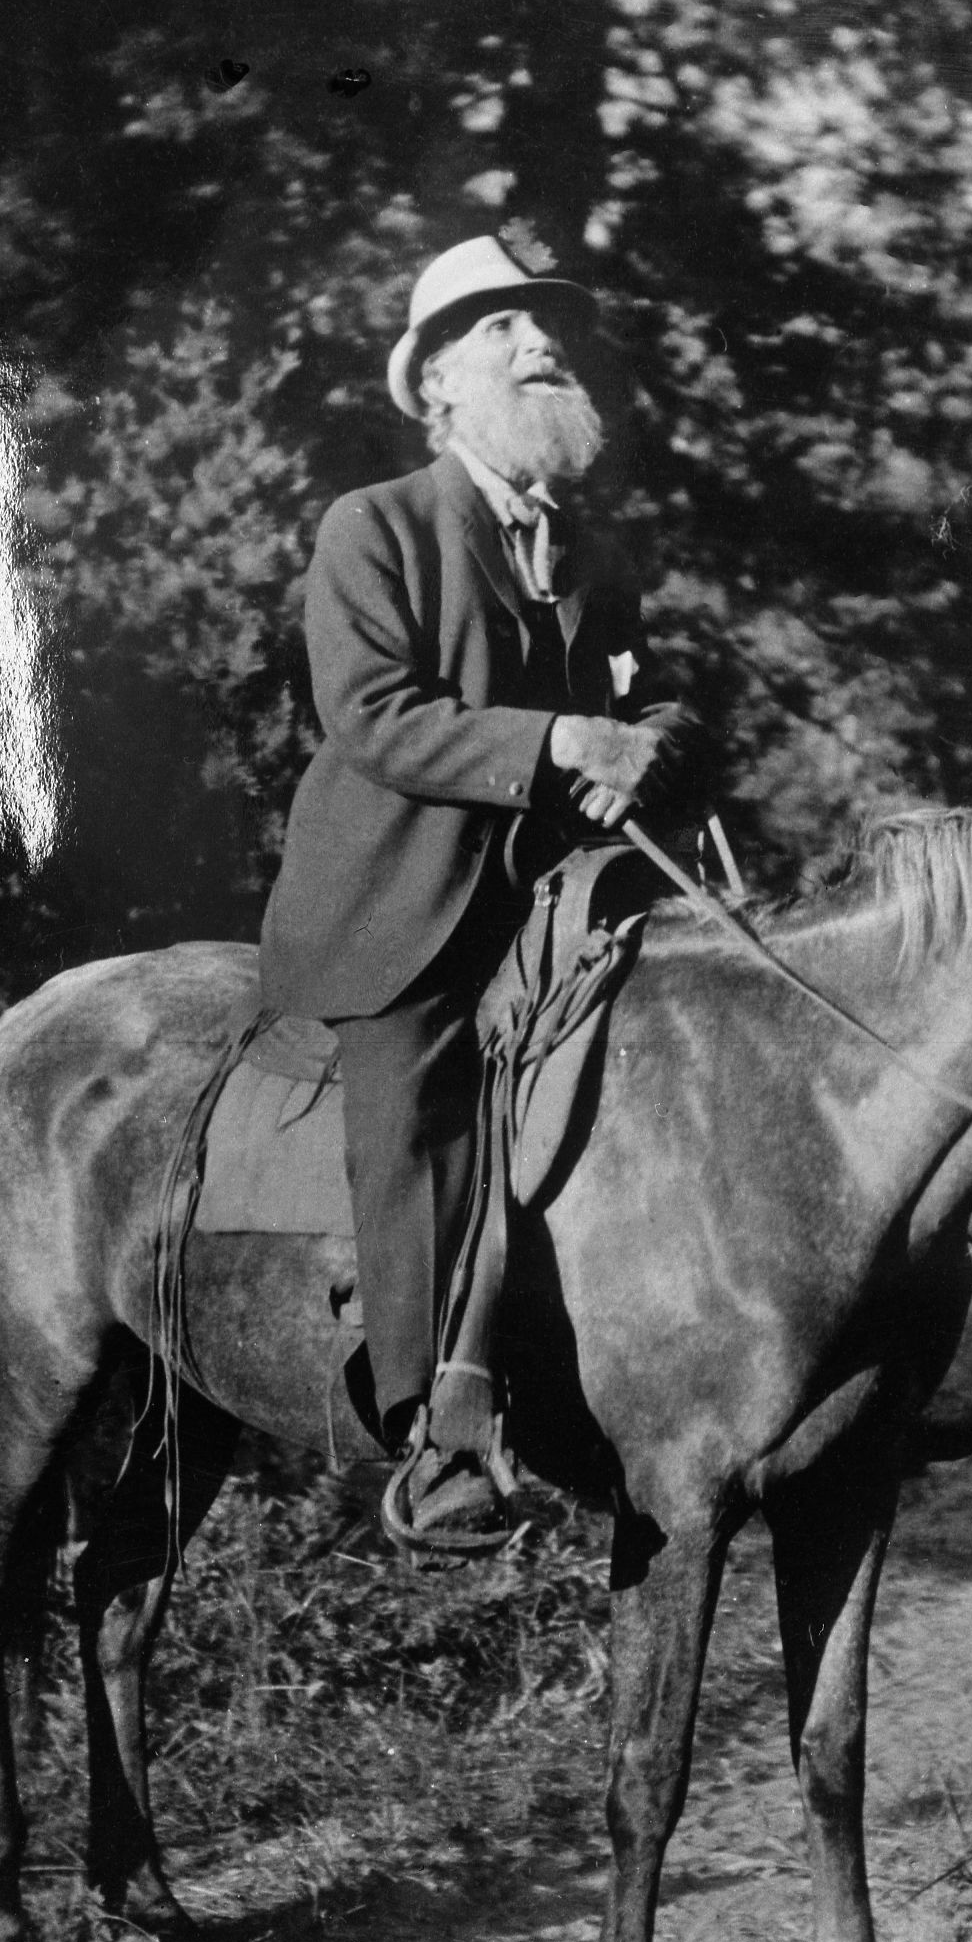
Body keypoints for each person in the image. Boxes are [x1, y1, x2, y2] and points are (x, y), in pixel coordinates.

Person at [259, 235, 688, 1542]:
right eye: (502, 328)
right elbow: (379, 717)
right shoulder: (373, 527)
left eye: (547, 327)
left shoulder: (596, 555)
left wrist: (651, 741)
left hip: (567, 894)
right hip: (406, 905)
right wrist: (560, 742)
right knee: (417, 1095)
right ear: (438, 385)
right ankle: (436, 1430)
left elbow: (641, 695)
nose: (537, 344)